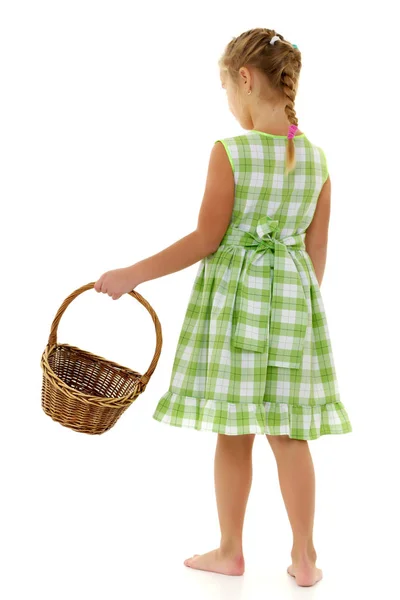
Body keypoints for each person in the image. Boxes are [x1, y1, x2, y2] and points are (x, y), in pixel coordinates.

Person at [94, 27, 352, 587]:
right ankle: (305, 558)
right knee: (290, 433)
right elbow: (317, 249)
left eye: (226, 89)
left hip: (235, 310)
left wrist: (132, 274)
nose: (229, 104)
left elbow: (205, 239)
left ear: (244, 78)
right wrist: (303, 313)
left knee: (234, 432)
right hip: (292, 308)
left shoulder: (230, 152)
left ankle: (231, 549)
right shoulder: (317, 159)